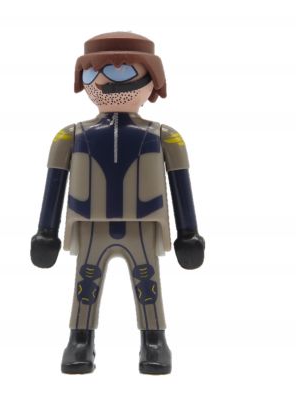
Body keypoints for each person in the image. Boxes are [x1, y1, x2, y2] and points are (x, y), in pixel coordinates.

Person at [31, 32, 205, 375]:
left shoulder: (166, 137)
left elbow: (180, 184)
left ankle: (154, 340)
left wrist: (188, 233)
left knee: (147, 281)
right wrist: (46, 231)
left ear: (152, 80)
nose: (103, 81)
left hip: (143, 224)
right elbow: (54, 183)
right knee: (86, 282)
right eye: (92, 73)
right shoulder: (69, 136)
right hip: (89, 223)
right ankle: (80, 338)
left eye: (120, 71)